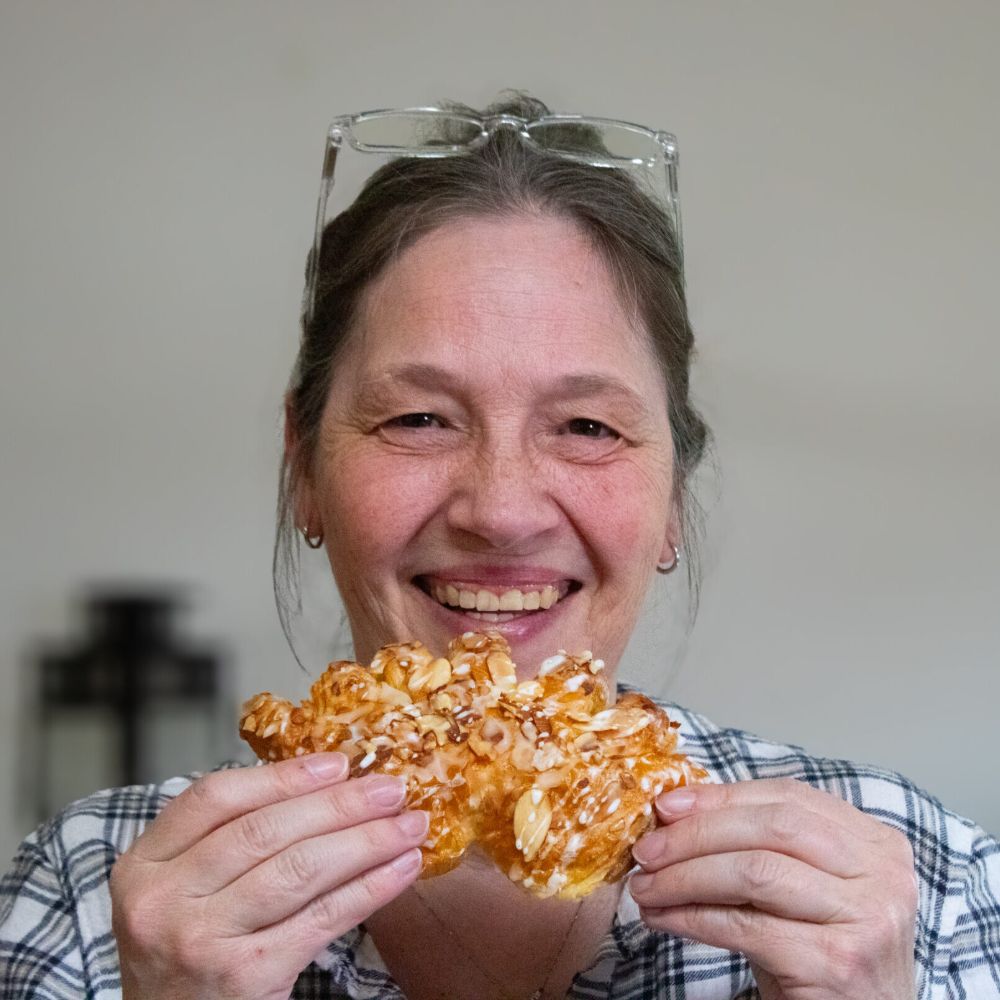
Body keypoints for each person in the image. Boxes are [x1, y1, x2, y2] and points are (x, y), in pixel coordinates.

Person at [2, 94, 998, 1000]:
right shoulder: (95, 900)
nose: (504, 509)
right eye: (420, 419)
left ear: (672, 504)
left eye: (587, 427)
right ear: (303, 467)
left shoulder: (923, 888)